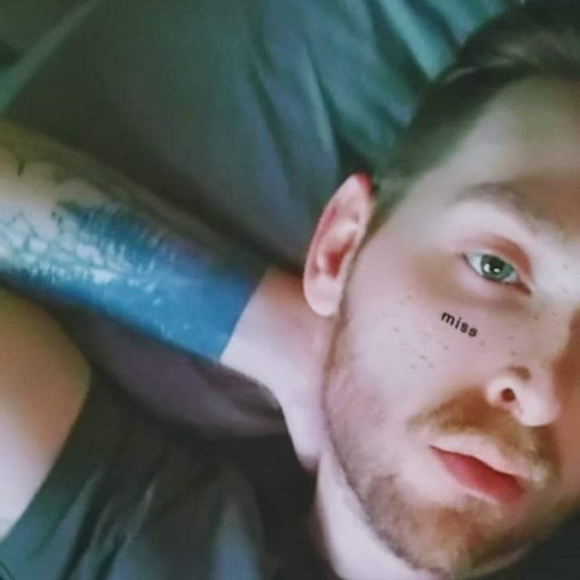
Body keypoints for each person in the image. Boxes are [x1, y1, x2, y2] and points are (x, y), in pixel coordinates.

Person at [4, 1, 580, 579]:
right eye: (494, 267)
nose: (542, 397)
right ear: (338, 251)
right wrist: (277, 336)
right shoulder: (154, 548)